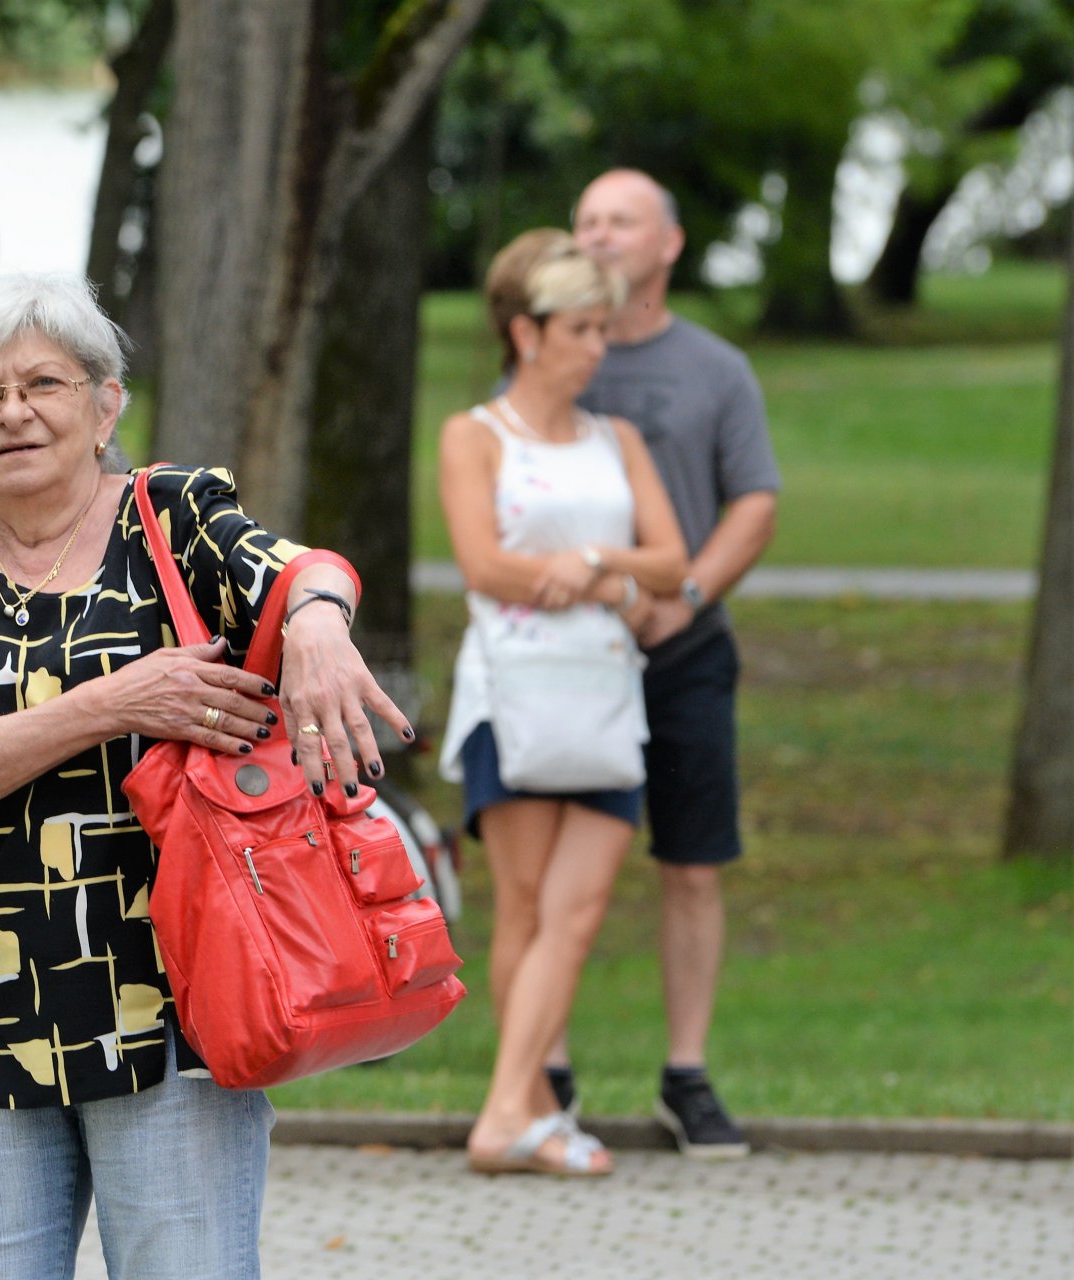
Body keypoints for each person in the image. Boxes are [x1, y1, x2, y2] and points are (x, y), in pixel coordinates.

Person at [0, 270, 412, 1277]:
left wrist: (320, 625)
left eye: (45, 383)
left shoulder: (171, 515)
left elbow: (305, 568)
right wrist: (113, 702)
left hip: (179, 994)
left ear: (104, 400)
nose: (14, 412)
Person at [436, 230, 688, 1177]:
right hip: (514, 693)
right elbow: (483, 564)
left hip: (604, 696)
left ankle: (507, 1111)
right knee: (528, 907)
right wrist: (613, 589)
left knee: (576, 915)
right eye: (582, 328)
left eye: (602, 328)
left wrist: (599, 567)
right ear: (526, 332)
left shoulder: (615, 440)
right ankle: (530, 1110)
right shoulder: (476, 435)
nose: (599, 346)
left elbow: (669, 561)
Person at [564, 168, 782, 1158]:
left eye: (622, 221)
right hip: (567, 657)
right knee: (553, 873)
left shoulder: (717, 368)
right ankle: (544, 1066)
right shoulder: (548, 358)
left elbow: (755, 503)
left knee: (691, 864)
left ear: (670, 245)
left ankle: (686, 1075)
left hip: (685, 650)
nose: (602, 235)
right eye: (588, 221)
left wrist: (683, 596)